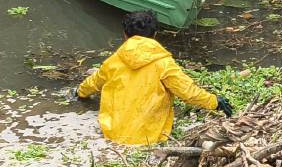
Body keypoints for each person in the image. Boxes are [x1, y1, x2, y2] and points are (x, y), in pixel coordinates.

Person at [76, 11, 234, 145]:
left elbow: (93, 83)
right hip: (150, 137)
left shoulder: (113, 61)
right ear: (155, 35)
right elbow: (187, 92)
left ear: (125, 35)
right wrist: (215, 101)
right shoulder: (163, 63)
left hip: (113, 135)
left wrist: (79, 93)